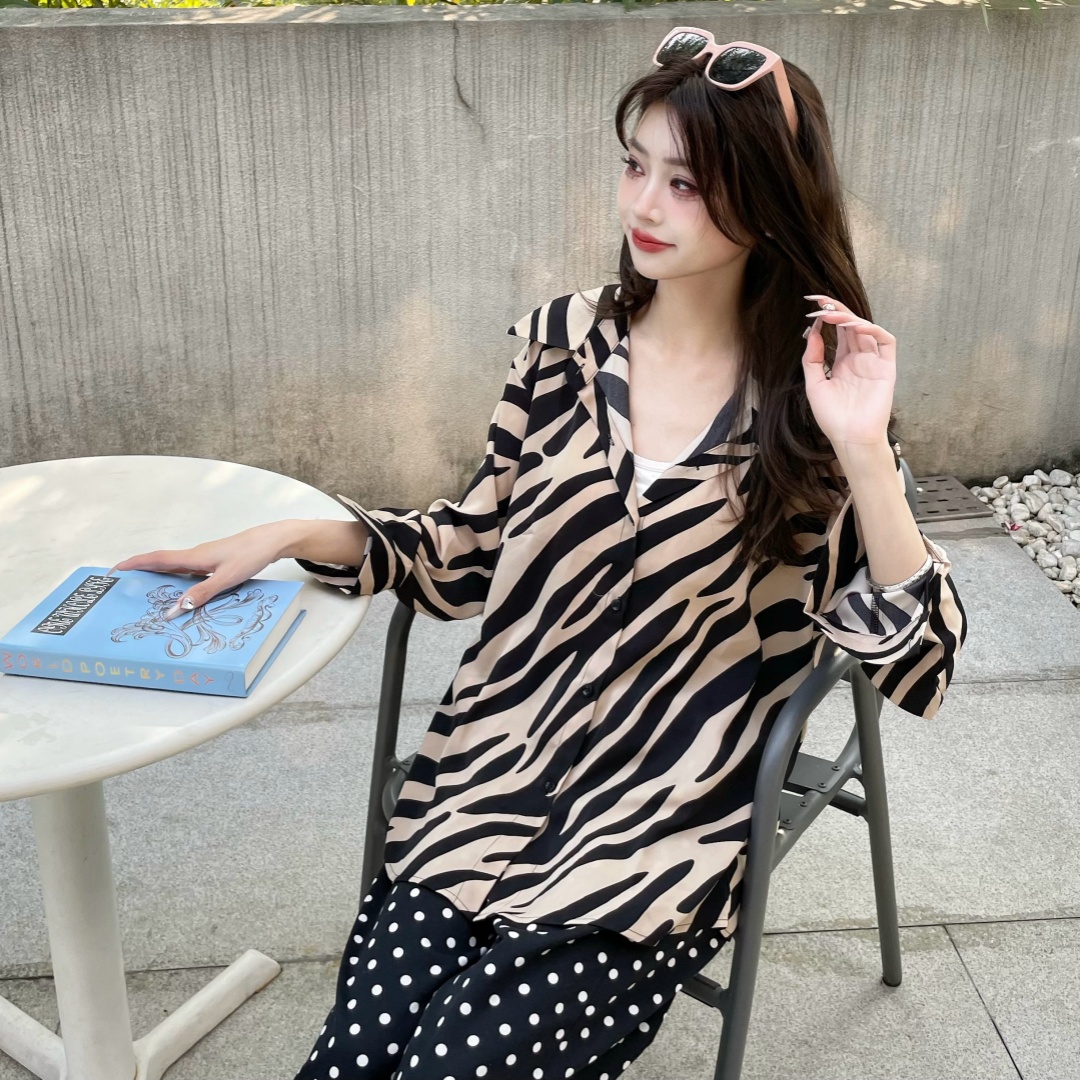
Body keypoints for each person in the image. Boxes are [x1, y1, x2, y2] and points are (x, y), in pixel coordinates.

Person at [108, 30, 968, 1080]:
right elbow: (470, 552)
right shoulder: (561, 348)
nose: (644, 205)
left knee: (451, 1064)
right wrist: (292, 532)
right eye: (635, 166)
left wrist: (867, 454)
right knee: (350, 1059)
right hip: (491, 777)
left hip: (657, 828)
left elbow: (922, 668)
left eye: (685, 184)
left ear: (767, 200)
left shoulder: (810, 403)